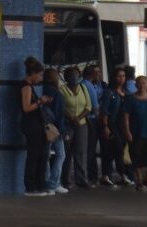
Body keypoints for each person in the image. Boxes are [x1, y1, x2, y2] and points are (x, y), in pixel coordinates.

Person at [19, 57, 53, 196]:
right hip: (31, 125)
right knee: (34, 156)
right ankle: (30, 187)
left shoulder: (30, 87)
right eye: (39, 75)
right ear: (32, 74)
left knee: (42, 156)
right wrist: (40, 101)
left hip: (35, 125)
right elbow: (26, 108)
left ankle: (40, 185)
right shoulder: (26, 87)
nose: (40, 78)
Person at [60, 65, 93, 189]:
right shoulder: (62, 90)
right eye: (71, 75)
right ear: (66, 77)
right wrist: (72, 118)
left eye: (76, 74)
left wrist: (78, 118)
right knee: (66, 153)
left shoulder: (83, 88)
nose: (74, 77)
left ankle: (81, 179)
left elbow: (88, 106)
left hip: (82, 124)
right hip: (68, 125)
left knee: (81, 152)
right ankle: (65, 180)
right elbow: (61, 107)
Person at [99, 67, 133, 186]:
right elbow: (104, 110)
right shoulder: (109, 92)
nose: (122, 78)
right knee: (117, 149)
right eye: (119, 76)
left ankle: (108, 175)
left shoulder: (126, 92)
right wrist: (105, 126)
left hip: (122, 126)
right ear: (114, 77)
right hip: (112, 124)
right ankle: (121, 174)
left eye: (123, 76)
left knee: (115, 150)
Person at [41, 68, 68, 194]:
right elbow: (59, 114)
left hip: (44, 126)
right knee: (60, 154)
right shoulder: (56, 93)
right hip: (55, 129)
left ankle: (47, 182)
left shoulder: (41, 89)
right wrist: (63, 130)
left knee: (46, 155)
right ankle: (53, 183)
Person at [82, 65, 103, 184]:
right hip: (91, 120)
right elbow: (95, 107)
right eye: (97, 72)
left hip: (84, 120)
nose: (99, 74)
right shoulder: (89, 86)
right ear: (92, 74)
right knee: (90, 149)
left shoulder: (82, 84)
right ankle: (92, 175)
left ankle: (88, 174)